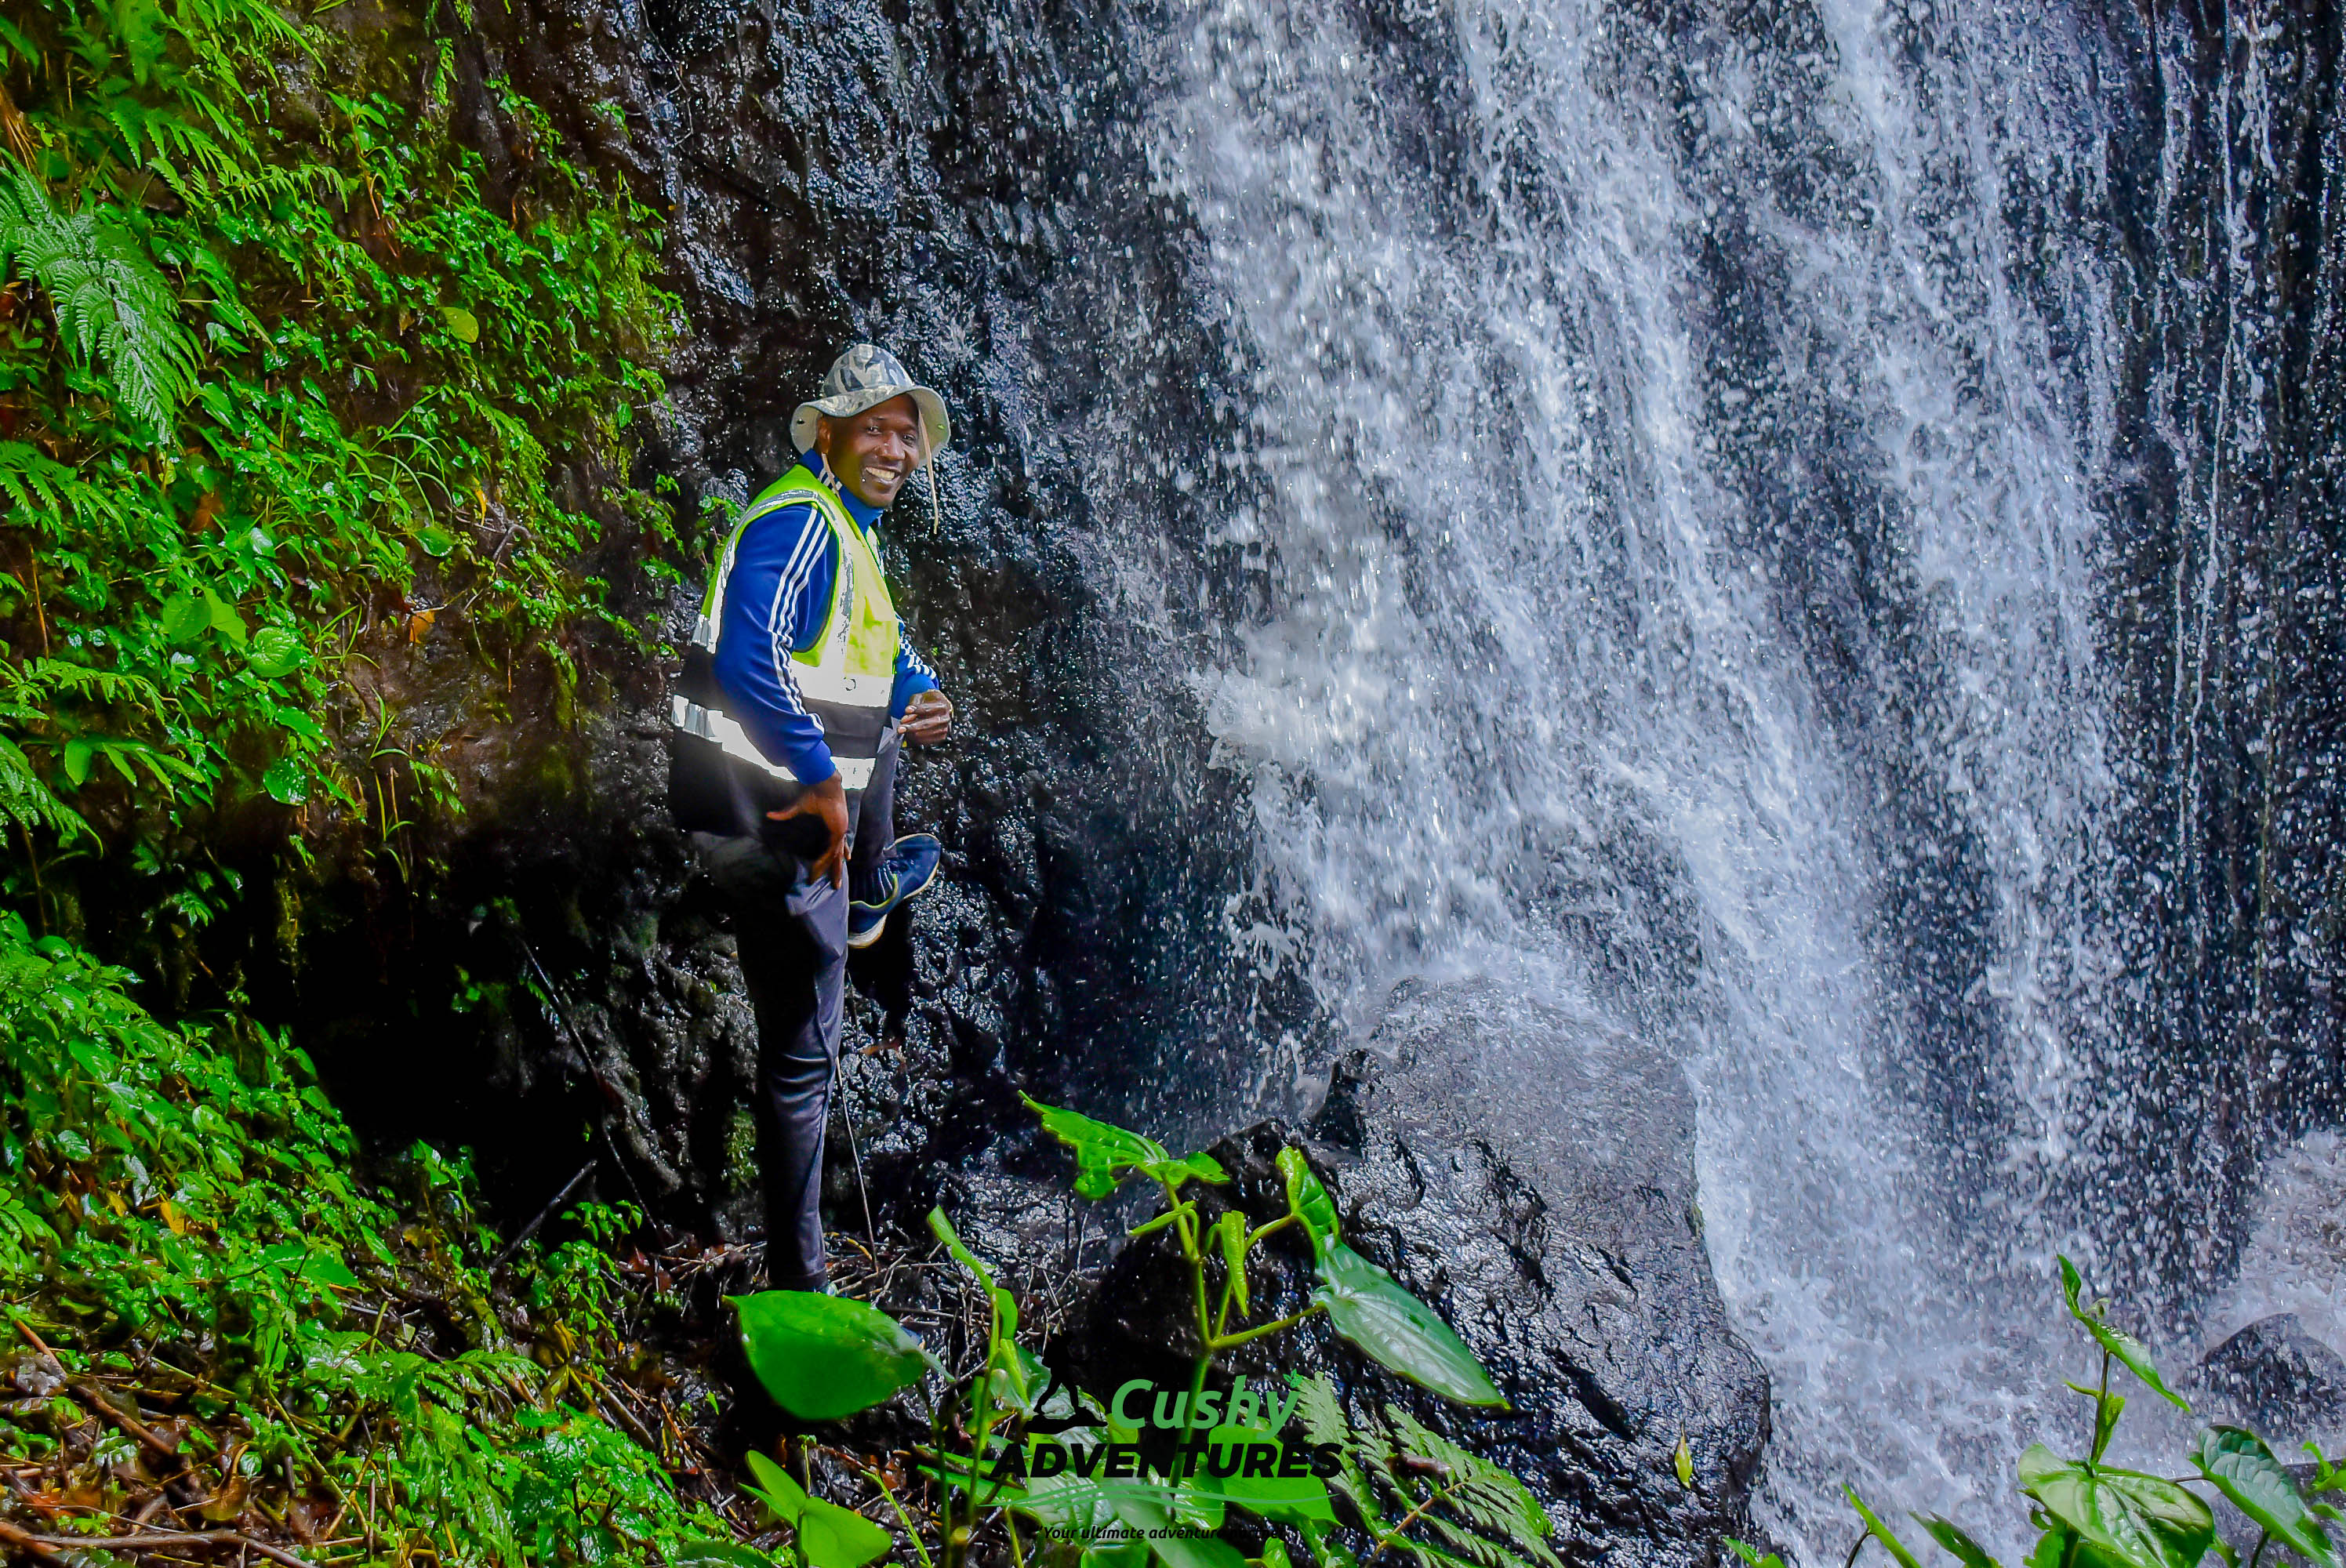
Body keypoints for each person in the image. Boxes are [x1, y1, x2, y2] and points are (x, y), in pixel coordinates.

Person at [668, 343, 954, 1292]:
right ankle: (802, 1281)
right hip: (771, 821)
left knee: (805, 1032)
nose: (896, 447)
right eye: (876, 426)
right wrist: (821, 778)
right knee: (802, 1054)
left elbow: (879, 644)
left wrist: (924, 689)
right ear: (827, 432)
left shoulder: (845, 530)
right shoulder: (798, 522)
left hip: (781, 818)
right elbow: (752, 658)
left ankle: (869, 883)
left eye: (906, 434)